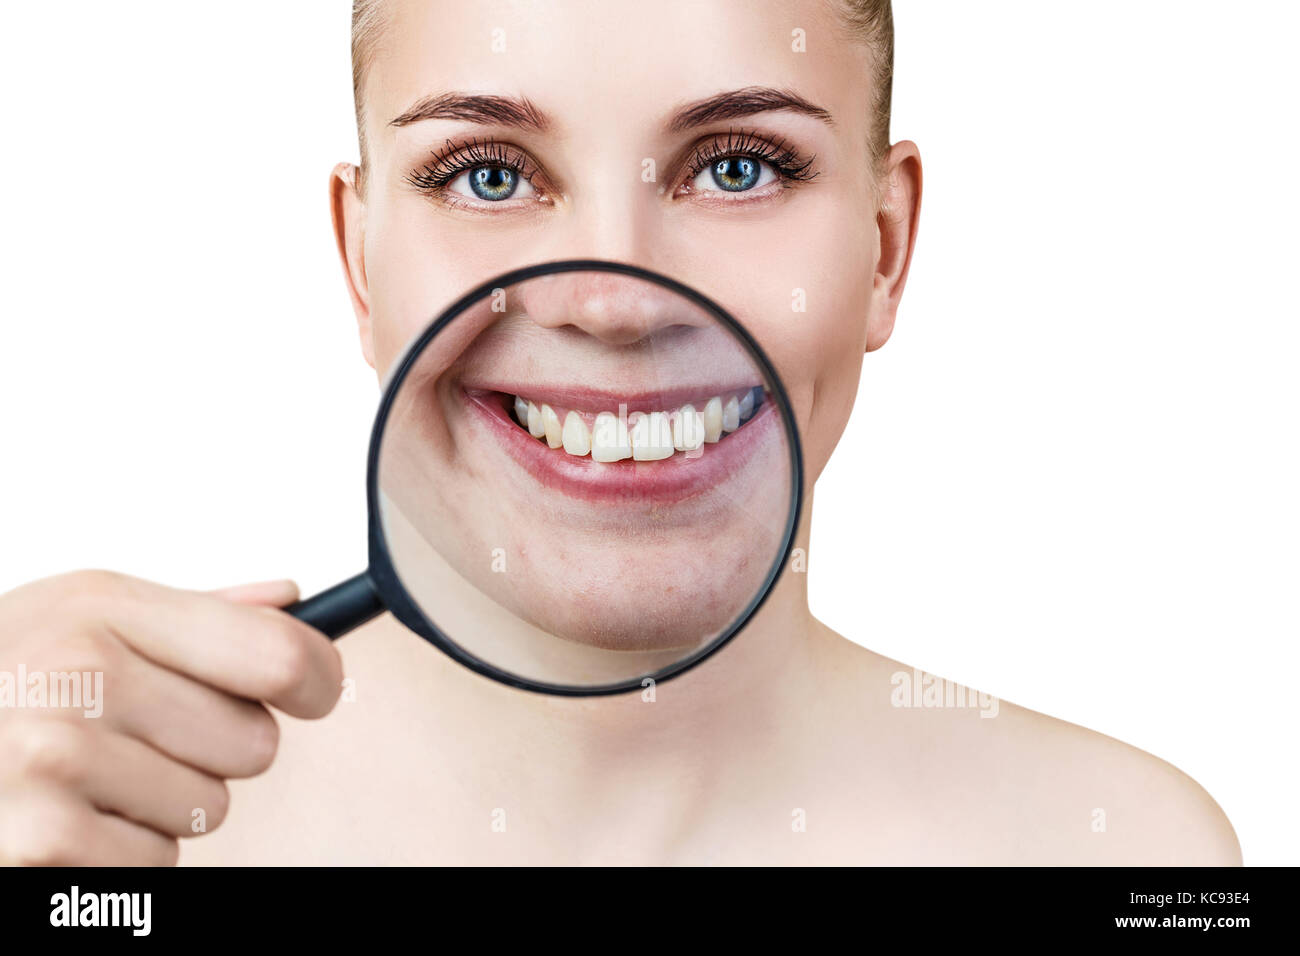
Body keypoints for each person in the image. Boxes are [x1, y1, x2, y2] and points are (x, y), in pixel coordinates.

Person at [0, 0, 1240, 865]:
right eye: (487, 172)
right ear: (359, 261)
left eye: (739, 166)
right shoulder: (99, 840)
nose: (616, 298)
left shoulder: (1127, 854)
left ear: (885, 246)